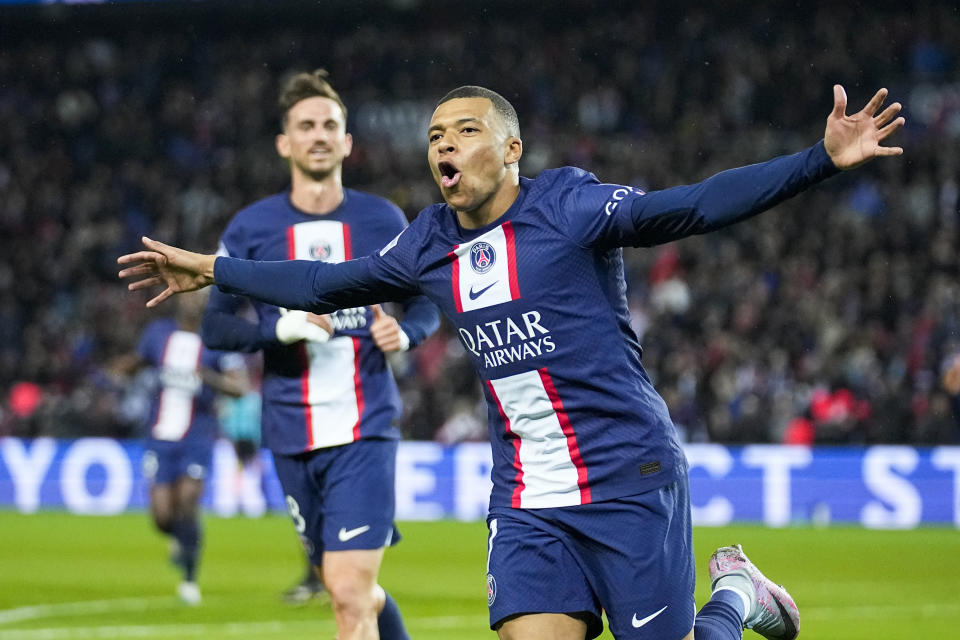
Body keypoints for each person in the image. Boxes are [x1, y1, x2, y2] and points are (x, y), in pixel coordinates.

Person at [119, 82, 904, 639]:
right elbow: (324, 284)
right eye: (433, 137)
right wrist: (215, 269)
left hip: (628, 475)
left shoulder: (568, 206)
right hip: (528, 494)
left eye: (463, 131)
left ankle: (733, 595)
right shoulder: (427, 242)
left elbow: (689, 205)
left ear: (511, 148)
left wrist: (820, 161)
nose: (444, 146)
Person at [197, 69, 439, 637]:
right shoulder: (252, 228)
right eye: (305, 125)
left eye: (330, 124)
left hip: (366, 425)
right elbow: (214, 329)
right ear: (285, 143)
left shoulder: (381, 219)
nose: (319, 134)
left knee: (349, 591)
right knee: (349, 588)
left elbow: (427, 298)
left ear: (348, 141)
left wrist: (407, 335)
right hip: (290, 433)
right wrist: (278, 332)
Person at [118, 291, 250, 605]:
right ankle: (180, 540)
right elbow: (138, 361)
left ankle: (190, 580)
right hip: (159, 435)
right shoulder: (158, 334)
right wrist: (117, 368)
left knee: (188, 501)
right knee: (162, 515)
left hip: (197, 436)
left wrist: (208, 377)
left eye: (197, 297)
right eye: (187, 296)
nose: (192, 301)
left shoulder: (218, 338)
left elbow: (240, 387)